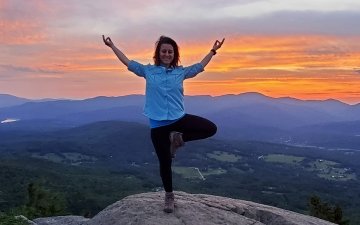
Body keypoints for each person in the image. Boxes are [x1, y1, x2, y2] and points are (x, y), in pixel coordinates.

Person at [102, 34, 224, 213]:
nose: (167, 54)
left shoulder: (180, 72)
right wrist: (112, 46)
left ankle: (178, 138)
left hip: (179, 119)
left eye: (170, 52)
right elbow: (127, 62)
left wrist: (213, 51)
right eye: (164, 51)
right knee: (164, 162)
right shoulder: (148, 71)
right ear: (158, 54)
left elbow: (199, 67)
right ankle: (169, 196)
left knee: (210, 128)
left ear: (174, 55)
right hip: (158, 125)